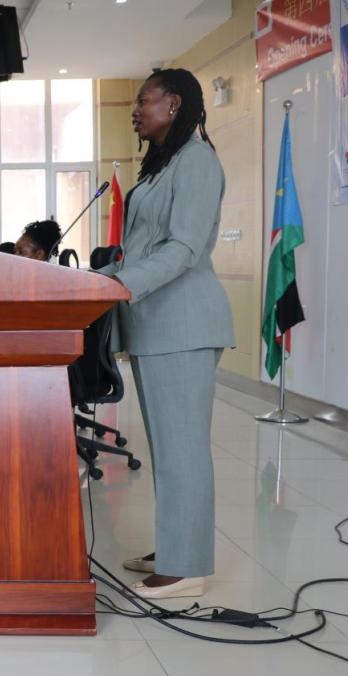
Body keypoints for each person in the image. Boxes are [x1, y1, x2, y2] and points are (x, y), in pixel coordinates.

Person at [104, 68, 234, 600]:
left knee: (183, 448)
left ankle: (187, 569)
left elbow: (183, 250)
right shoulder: (165, 165)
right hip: (158, 326)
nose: (136, 109)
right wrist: (110, 273)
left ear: (174, 104)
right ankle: (176, 543)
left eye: (144, 100)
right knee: (168, 445)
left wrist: (119, 286)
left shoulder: (198, 160)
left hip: (183, 322)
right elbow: (147, 242)